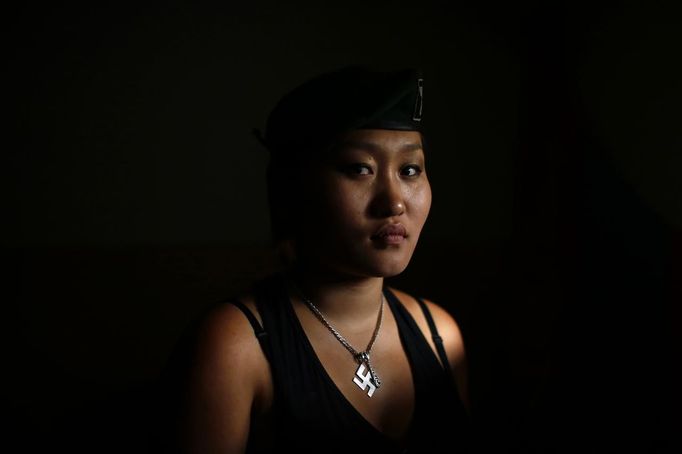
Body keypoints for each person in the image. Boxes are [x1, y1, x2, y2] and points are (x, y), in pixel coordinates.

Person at [156, 65, 471, 453]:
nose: (394, 201)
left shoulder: (440, 335)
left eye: (410, 169)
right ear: (296, 188)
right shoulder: (235, 345)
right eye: (359, 169)